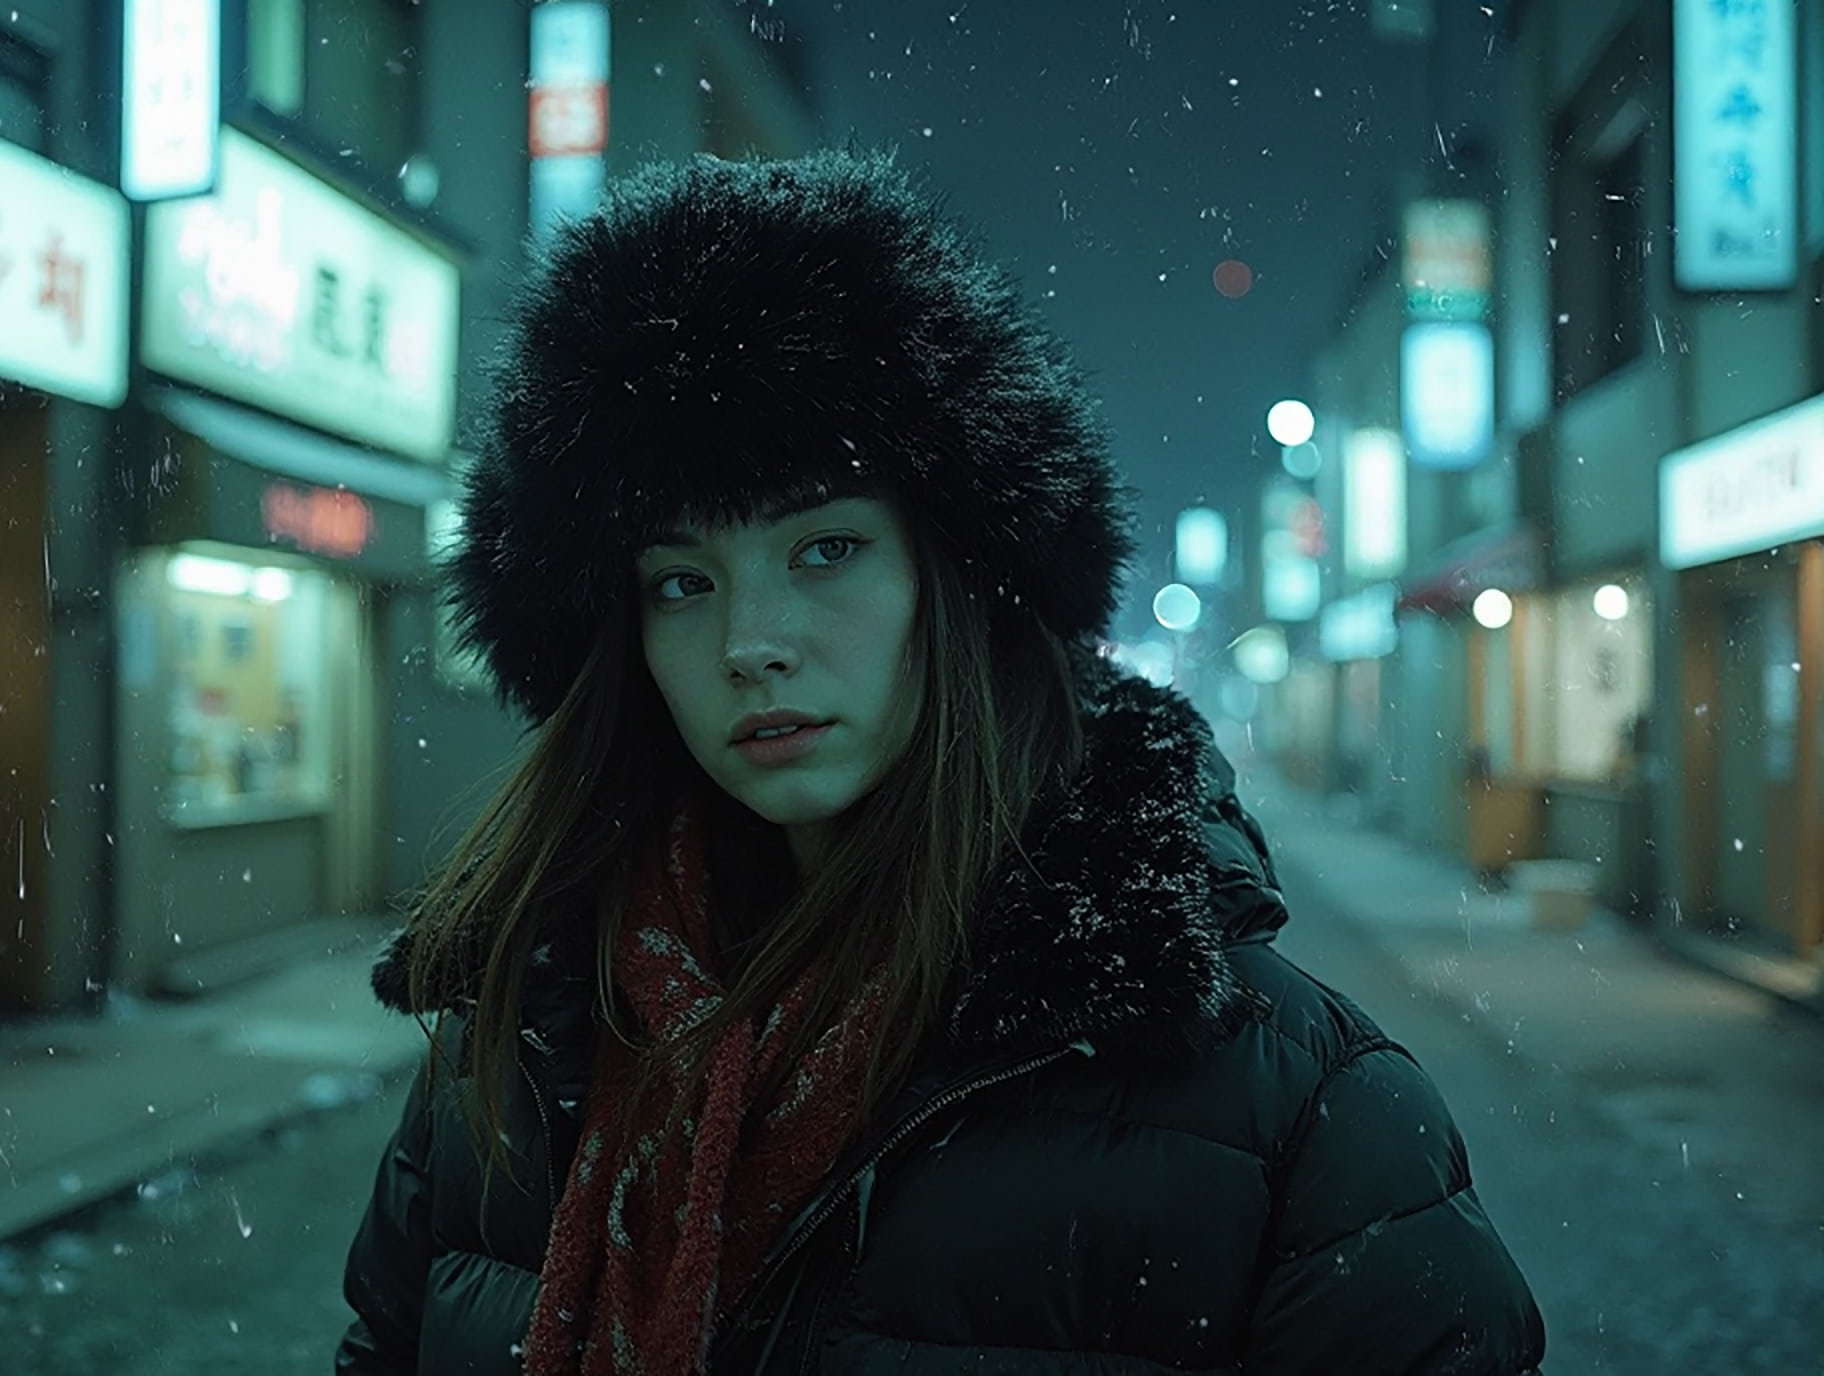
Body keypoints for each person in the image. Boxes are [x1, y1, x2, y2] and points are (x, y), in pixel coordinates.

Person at [336, 149, 1545, 1376]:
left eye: (825, 550)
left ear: (951, 578)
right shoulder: (518, 1051)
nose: (751, 644)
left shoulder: (1289, 1105)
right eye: (683, 580)